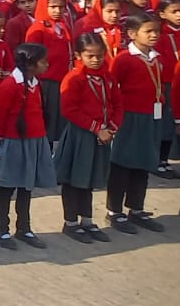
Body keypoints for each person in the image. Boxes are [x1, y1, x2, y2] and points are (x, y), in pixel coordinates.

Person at [105, 14, 169, 233]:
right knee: (122, 162)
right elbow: (112, 89)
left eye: (156, 31)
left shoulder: (157, 58)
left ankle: (136, 208)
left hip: (151, 116)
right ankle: (114, 211)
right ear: (132, 34)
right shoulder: (124, 59)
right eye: (148, 31)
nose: (154, 35)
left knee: (144, 162)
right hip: (129, 117)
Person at [0, 43, 56, 249]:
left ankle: (24, 228)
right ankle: (2, 230)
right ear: (30, 64)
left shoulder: (36, 83)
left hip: (35, 140)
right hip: (15, 141)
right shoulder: (11, 85)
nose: (46, 65)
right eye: (42, 61)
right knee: (7, 187)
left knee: (26, 186)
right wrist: (5, 137)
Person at [55, 33, 116, 244]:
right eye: (90, 56)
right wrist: (97, 128)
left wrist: (112, 127)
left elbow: (118, 104)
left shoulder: (107, 77)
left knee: (89, 178)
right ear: (78, 55)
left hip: (102, 134)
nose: (96, 60)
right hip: (80, 134)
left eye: (99, 55)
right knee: (74, 179)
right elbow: (69, 110)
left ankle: (87, 220)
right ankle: (70, 222)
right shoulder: (74, 78)